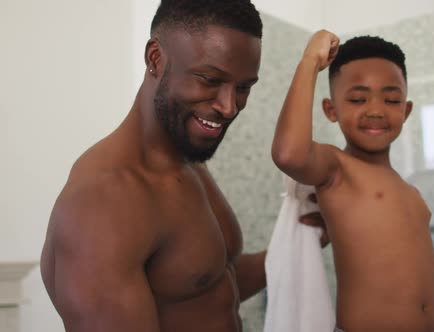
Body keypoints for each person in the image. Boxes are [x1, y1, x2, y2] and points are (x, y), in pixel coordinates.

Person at [40, 1, 323, 331]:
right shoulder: (105, 201)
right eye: (209, 79)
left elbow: (209, 285)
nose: (229, 106)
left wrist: (306, 237)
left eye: (244, 87)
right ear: (155, 59)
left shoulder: (186, 160)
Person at [272, 30, 434, 331]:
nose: (376, 110)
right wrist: (310, 62)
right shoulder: (338, 169)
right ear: (331, 110)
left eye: (391, 99)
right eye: (357, 99)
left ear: (406, 111)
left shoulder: (412, 194)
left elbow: (429, 291)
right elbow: (289, 154)